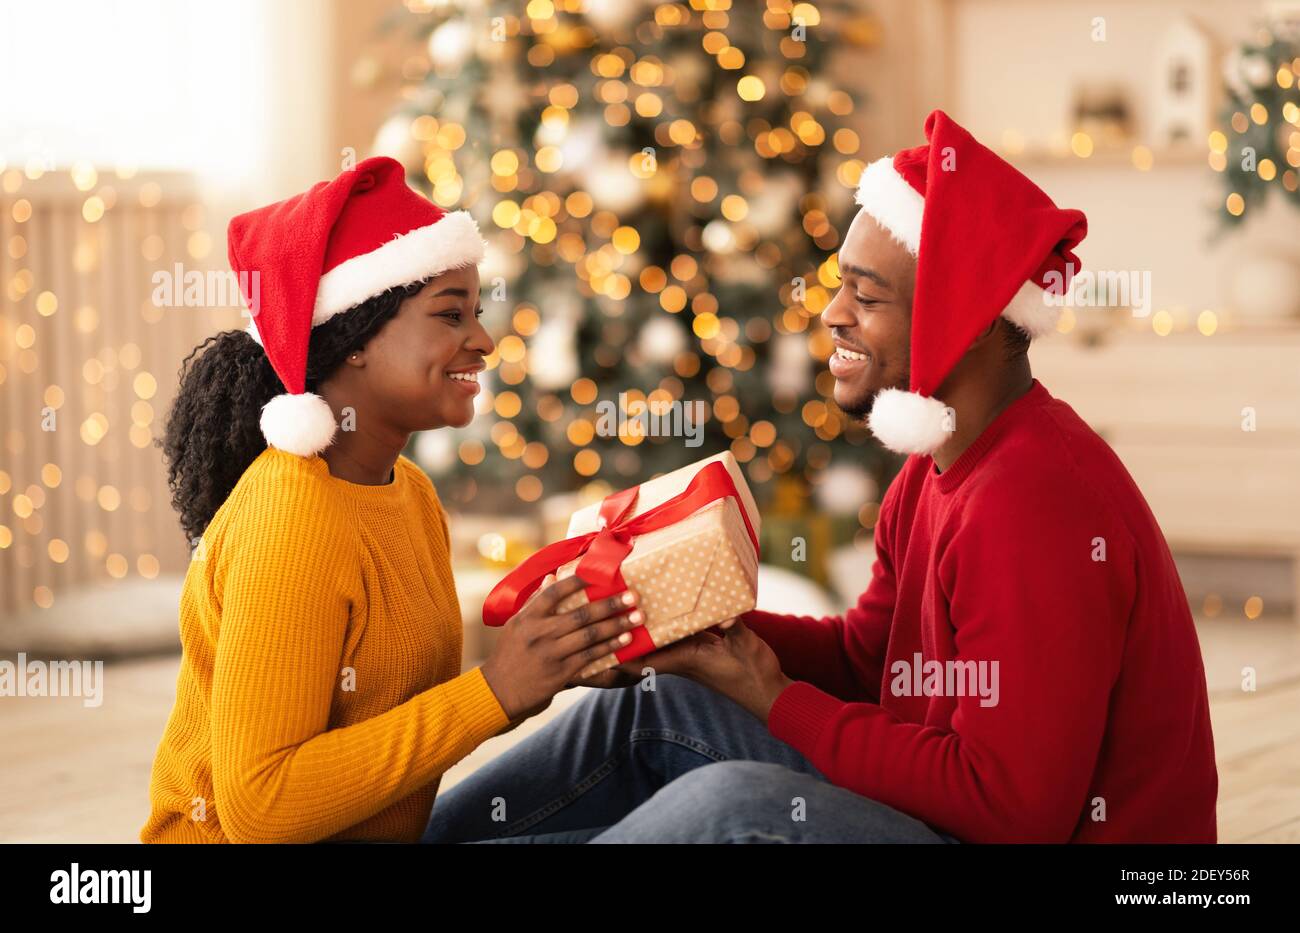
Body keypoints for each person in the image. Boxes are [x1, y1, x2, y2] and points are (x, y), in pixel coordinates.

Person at [421, 110, 1218, 844]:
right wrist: (703, 637)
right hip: (953, 815)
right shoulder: (936, 466)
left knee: (730, 809)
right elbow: (874, 664)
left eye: (865, 297)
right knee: (661, 701)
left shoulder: (1033, 500)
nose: (832, 314)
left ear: (964, 321)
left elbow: (1014, 810)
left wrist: (773, 698)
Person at [140, 157, 643, 843]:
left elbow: (384, 697)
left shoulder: (408, 492)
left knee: (657, 716)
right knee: (719, 816)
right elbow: (262, 806)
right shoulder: (293, 516)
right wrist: (494, 690)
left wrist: (548, 661)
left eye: (477, 312)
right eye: (450, 315)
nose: (484, 341)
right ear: (352, 341)